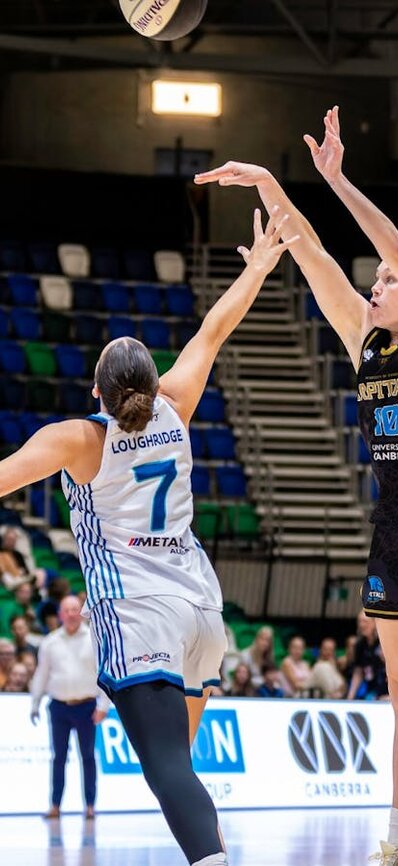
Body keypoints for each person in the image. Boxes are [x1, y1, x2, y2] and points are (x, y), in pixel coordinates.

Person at [0, 209, 297, 866]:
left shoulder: (80, 439)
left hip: (144, 616)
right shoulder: (177, 405)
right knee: (180, 771)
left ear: (97, 391)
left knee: (167, 773)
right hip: (202, 609)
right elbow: (214, 329)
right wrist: (256, 266)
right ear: (150, 386)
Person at [194, 105, 398, 863]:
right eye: (375, 279)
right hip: (393, 530)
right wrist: (272, 185)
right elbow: (309, 253)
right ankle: (395, 840)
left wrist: (340, 181)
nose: (376, 283)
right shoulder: (367, 344)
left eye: (385, 280)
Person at [30, 594, 110, 819]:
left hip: (86, 706)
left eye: (75, 609)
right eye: (67, 610)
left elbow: (103, 673)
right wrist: (35, 702)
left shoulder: (94, 639)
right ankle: (55, 805)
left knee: (87, 756)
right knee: (59, 757)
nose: (72, 614)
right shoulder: (50, 642)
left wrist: (104, 704)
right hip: (59, 707)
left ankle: (90, 806)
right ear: (60, 614)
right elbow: (42, 673)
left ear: (81, 611)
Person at [347, 611, 388, 701]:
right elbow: (358, 671)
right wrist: (350, 697)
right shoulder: (360, 645)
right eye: (359, 622)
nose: (361, 625)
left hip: (389, 692)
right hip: (373, 692)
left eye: (365, 621)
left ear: (374, 623)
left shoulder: (384, 641)